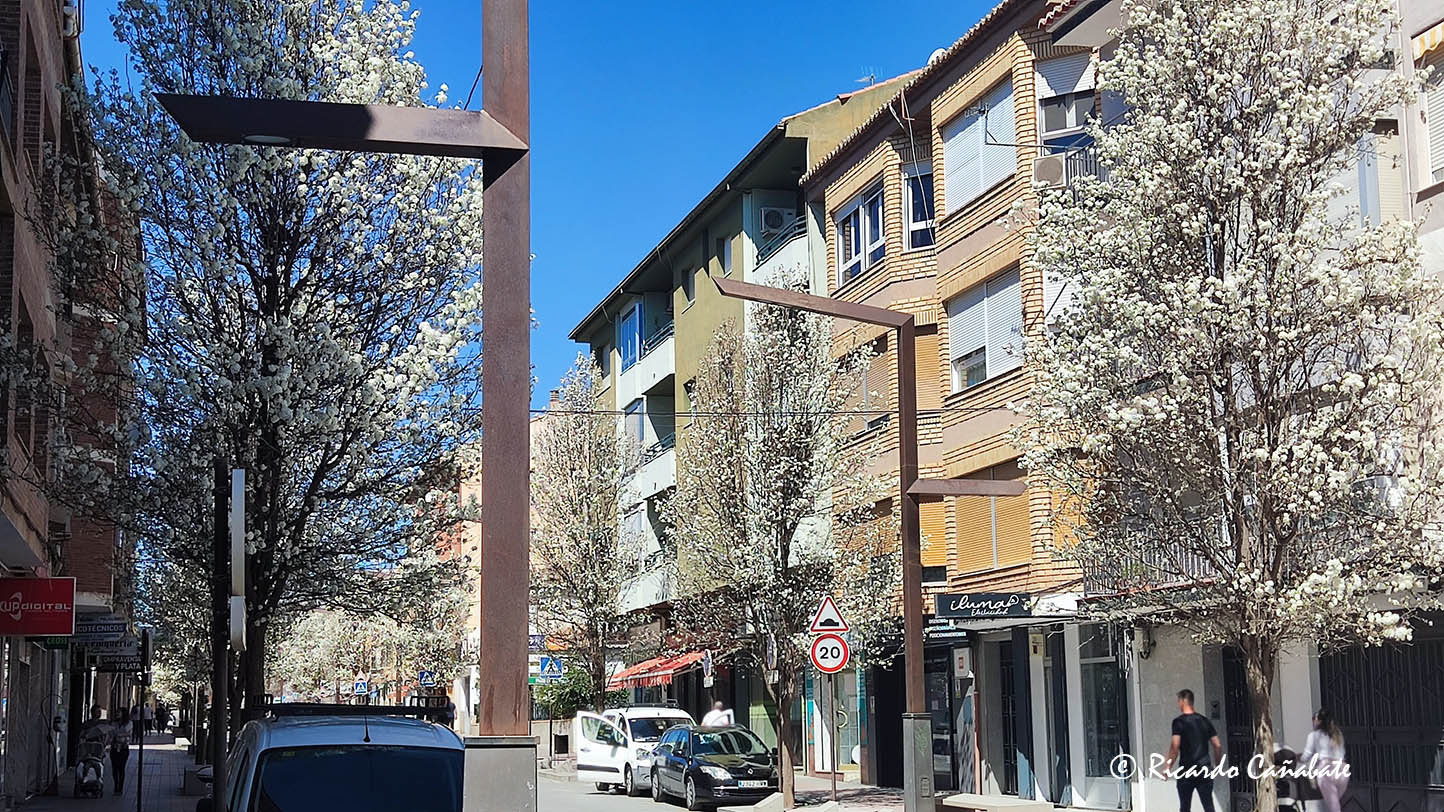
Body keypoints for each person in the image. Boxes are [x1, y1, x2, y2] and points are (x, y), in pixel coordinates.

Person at [1164, 689, 1222, 812]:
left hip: (1186, 770)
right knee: (1208, 806)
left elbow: (1175, 747)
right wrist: (1217, 765)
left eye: (1179, 701)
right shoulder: (1205, 721)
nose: (1178, 704)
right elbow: (1217, 745)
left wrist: (1168, 767)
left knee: (1185, 806)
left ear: (1183, 701)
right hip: (1204, 769)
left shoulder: (1179, 722)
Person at [1301, 709, 1347, 812]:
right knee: (1334, 803)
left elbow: (1305, 756)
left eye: (1314, 719)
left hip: (1326, 771)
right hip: (1342, 770)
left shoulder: (1314, 736)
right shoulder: (1337, 734)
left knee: (1333, 806)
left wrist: (1296, 757)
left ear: (1318, 721)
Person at [109, 707, 132, 795]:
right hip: (114, 748)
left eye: (119, 712)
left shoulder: (129, 723)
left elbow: (127, 732)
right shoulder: (113, 723)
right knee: (114, 768)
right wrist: (119, 734)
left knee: (121, 768)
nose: (117, 713)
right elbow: (111, 733)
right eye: (117, 712)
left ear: (123, 714)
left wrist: (117, 734)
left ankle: (120, 788)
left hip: (123, 748)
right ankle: (116, 786)